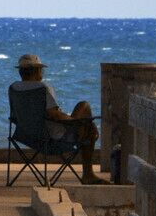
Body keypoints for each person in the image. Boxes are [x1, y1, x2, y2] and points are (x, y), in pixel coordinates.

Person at [9, 53, 101, 183]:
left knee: (87, 127)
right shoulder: (43, 88)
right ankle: (88, 174)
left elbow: (14, 116)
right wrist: (74, 121)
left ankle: (86, 134)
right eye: (41, 69)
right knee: (84, 109)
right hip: (51, 138)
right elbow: (54, 114)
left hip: (25, 136)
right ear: (37, 70)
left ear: (21, 72)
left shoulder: (14, 88)